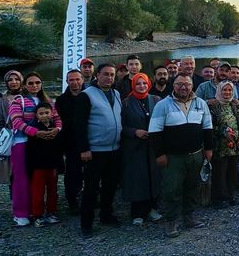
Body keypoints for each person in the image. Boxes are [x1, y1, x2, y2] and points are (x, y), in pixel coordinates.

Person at [149, 73, 215, 237]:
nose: (183, 87)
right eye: (179, 84)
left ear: (192, 85)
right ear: (174, 85)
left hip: (196, 154)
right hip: (173, 157)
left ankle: (189, 217)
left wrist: (209, 149)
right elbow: (154, 132)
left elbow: (207, 128)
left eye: (187, 84)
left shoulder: (201, 103)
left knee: (192, 186)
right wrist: (159, 154)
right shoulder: (163, 105)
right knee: (172, 189)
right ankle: (171, 221)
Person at [74, 63, 122, 238]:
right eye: (106, 74)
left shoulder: (116, 94)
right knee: (91, 188)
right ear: (98, 75)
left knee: (110, 186)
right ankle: (86, 224)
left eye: (112, 75)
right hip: (95, 150)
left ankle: (106, 215)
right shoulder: (86, 96)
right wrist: (84, 149)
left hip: (114, 149)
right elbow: (79, 126)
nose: (109, 77)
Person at [8, 72, 62, 227]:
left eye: (37, 82)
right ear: (25, 85)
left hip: (43, 145)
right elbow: (16, 121)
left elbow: (57, 119)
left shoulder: (48, 101)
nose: (34, 86)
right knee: (21, 178)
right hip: (22, 142)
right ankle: (21, 212)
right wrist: (35, 132)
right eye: (30, 83)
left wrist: (56, 130)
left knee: (40, 178)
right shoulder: (18, 100)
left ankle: (38, 210)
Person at [120, 73, 163, 225]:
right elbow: (120, 126)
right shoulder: (125, 103)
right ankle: (137, 212)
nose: (141, 86)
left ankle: (152, 208)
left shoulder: (156, 100)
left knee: (153, 176)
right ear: (133, 85)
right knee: (137, 179)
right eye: (138, 84)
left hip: (152, 147)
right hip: (134, 147)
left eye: (144, 83)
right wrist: (134, 132)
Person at [209, 81, 239, 208]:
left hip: (235, 146)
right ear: (219, 91)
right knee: (219, 173)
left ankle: (231, 195)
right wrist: (223, 132)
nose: (227, 92)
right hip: (220, 146)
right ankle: (219, 199)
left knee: (232, 172)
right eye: (224, 90)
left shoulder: (235, 105)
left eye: (229, 90)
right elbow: (209, 125)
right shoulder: (213, 106)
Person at [25, 103, 62, 228]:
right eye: (41, 113)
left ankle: (51, 212)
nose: (45, 115)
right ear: (36, 115)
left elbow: (59, 149)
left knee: (53, 190)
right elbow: (30, 151)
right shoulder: (34, 130)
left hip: (52, 165)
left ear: (52, 113)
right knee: (38, 191)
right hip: (38, 166)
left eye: (47, 113)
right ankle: (37, 214)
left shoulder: (55, 129)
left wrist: (60, 164)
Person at [54, 69, 85, 213]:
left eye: (77, 79)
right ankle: (72, 201)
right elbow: (59, 123)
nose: (75, 83)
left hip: (89, 140)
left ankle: (92, 197)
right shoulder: (61, 100)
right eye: (71, 80)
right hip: (70, 142)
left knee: (91, 172)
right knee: (72, 173)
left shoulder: (89, 96)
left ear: (82, 80)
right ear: (67, 82)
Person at [0, 70, 23, 189]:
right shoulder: (1, 99)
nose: (13, 82)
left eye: (16, 79)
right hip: (11, 138)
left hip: (28, 137)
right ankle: (15, 199)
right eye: (10, 80)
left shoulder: (29, 95)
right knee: (12, 171)